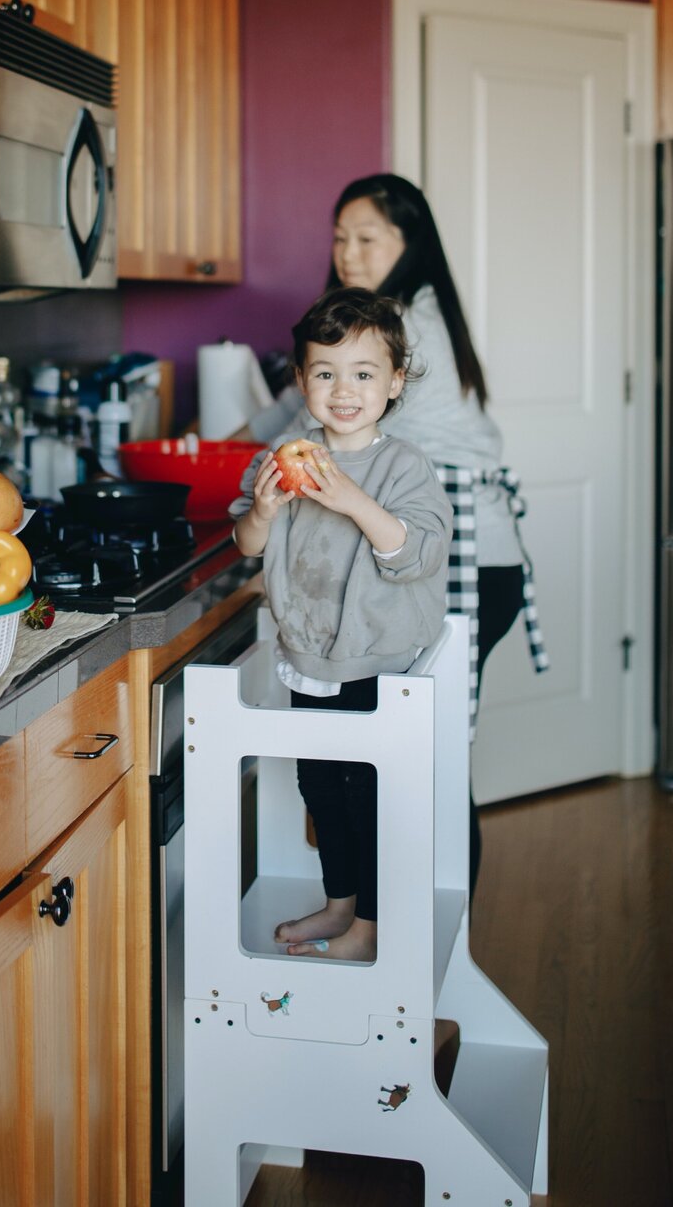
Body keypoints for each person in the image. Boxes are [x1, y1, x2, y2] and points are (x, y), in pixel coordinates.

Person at [248, 173, 545, 896]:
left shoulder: (412, 328)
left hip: (454, 556)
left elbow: (317, 431)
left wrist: (243, 458)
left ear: (409, 244)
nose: (347, 252)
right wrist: (234, 447)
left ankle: (426, 957)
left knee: (424, 762)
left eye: (367, 238)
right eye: (340, 237)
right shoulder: (380, 321)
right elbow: (296, 406)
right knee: (398, 758)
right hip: (428, 558)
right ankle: (383, 926)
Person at [232, 286, 451, 962]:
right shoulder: (284, 458)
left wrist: (352, 499)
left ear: (394, 381)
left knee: (370, 796)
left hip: (378, 659)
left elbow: (415, 552)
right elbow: (246, 544)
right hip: (310, 655)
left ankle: (374, 928)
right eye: (325, 373)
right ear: (301, 381)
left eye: (363, 373)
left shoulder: (401, 465)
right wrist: (265, 512)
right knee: (320, 788)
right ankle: (340, 905)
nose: (344, 389)